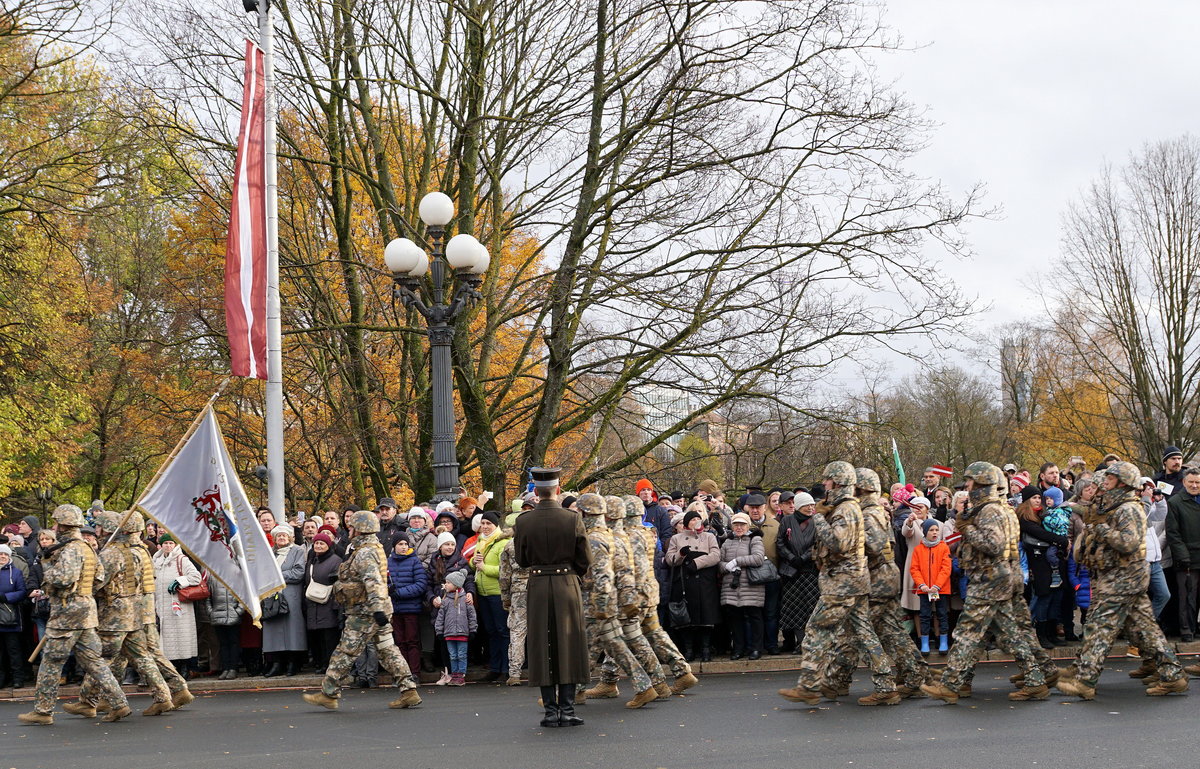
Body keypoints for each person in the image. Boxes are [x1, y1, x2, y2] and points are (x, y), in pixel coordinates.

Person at [921, 463, 1050, 704]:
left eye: (970, 481)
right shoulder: (992, 508)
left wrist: (967, 530)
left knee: (969, 631)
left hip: (990, 578)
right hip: (993, 577)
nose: (967, 486)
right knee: (1002, 633)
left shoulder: (990, 510)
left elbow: (993, 545)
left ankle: (951, 684)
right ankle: (1034, 679)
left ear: (981, 483)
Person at [1058, 461, 1188, 699]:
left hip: (1124, 577)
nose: (1104, 482)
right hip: (1123, 576)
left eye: (1110, 478)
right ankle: (1172, 675)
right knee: (1146, 630)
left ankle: (1085, 681)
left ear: (1122, 482)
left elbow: (1128, 543)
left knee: (1100, 626)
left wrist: (1102, 530)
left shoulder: (1128, 508)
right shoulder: (1115, 507)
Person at [778, 462, 898, 707]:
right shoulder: (847, 507)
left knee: (815, 631)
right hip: (853, 581)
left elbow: (839, 544)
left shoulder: (845, 509)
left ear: (838, 482)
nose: (824, 484)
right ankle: (886, 685)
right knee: (865, 634)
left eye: (827, 480)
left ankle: (809, 686)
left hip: (843, 583)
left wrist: (819, 519)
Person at [19, 505, 131, 725]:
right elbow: (98, 577)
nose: (54, 527)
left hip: (67, 615)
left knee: (51, 661)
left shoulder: (70, 549)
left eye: (56, 523)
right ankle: (119, 703)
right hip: (86, 612)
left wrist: (47, 567)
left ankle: (43, 711)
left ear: (63, 525)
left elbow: (63, 578)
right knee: (95, 662)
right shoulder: (87, 547)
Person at [302, 509, 421, 711]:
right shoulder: (371, 548)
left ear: (359, 530)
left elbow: (373, 581)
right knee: (387, 650)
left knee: (345, 652)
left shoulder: (365, 552)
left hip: (364, 612)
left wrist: (376, 610)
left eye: (352, 527)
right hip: (376, 611)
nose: (349, 530)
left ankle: (328, 693)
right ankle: (409, 691)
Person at [826, 469, 928, 698]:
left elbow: (873, 546)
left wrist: (847, 548)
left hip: (877, 579)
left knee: (853, 632)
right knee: (891, 630)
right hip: (883, 577)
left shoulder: (870, 513)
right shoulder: (873, 511)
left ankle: (837, 680)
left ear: (860, 488)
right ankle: (914, 676)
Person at [512, 467, 591, 728]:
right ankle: (567, 709)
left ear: (535, 491)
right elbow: (585, 559)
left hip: (537, 584)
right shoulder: (572, 518)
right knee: (567, 642)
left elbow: (522, 560)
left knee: (541, 644)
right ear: (558, 490)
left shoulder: (523, 521)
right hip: (566, 583)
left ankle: (550, 711)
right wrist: (572, 572)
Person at [74, 511, 173, 717]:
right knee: (142, 657)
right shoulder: (136, 550)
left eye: (99, 527)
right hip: (134, 613)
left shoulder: (111, 553)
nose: (97, 531)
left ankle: (93, 701)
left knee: (100, 658)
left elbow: (98, 582)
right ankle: (164, 696)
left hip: (114, 615)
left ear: (108, 529)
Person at [577, 494, 657, 709]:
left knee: (600, 646)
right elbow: (624, 569)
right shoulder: (611, 536)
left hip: (597, 603)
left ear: (585, 513)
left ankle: (644, 687)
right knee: (598, 646)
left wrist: (602, 605)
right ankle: (575, 690)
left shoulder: (594, 539)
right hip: (607, 601)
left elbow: (603, 574)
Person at [621, 494, 697, 695]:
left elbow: (632, 569)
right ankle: (679, 672)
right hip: (648, 593)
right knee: (653, 634)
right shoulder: (646, 533)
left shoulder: (630, 535)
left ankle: (652, 682)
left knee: (622, 638)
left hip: (636, 595)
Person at [664, 504, 722, 662]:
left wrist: (697, 563)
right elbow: (670, 560)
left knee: (706, 617)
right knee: (686, 618)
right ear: (686, 523)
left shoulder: (709, 536)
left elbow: (716, 555)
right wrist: (681, 554)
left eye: (698, 518)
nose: (696, 521)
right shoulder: (677, 538)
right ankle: (689, 649)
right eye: (693, 519)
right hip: (684, 583)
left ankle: (706, 649)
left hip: (704, 581)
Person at [152, 533, 201, 677]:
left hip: (179, 605)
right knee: (167, 640)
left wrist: (179, 581)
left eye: (171, 543)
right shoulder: (156, 560)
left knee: (182, 638)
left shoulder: (182, 559)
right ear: (161, 545)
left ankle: (185, 667)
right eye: (166, 543)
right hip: (162, 606)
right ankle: (172, 669)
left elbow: (195, 577)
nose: (168, 546)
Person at [718, 512, 766, 660]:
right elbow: (719, 563)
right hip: (731, 586)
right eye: (736, 524)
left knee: (754, 617)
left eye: (742, 524)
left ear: (748, 525)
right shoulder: (727, 542)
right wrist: (728, 566)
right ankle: (738, 648)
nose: (739, 527)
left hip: (751, 586)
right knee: (735, 619)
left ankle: (756, 648)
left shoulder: (755, 539)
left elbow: (758, 558)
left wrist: (737, 561)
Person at [471, 510, 511, 683]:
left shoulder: (503, 543)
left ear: (496, 525)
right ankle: (495, 668)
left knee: (502, 631)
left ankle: (506, 669)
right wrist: (475, 562)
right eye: (483, 523)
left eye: (489, 524)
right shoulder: (481, 540)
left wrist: (484, 568)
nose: (485, 527)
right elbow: (474, 562)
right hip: (483, 592)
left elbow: (505, 570)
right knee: (491, 632)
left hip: (497, 593)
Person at [263, 525, 308, 676]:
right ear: (274, 539)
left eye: (284, 536)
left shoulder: (297, 551)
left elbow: (298, 572)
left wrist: (277, 575)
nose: (281, 538)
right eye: (279, 536)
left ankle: (293, 663)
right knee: (274, 629)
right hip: (272, 596)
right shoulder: (269, 553)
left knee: (292, 630)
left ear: (290, 537)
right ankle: (277, 663)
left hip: (291, 596)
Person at [743, 493, 782, 654]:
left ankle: (771, 644)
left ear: (765, 508)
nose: (755, 511)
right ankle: (753, 646)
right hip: (750, 577)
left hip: (772, 576)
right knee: (752, 614)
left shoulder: (775, 525)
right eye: (752, 508)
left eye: (758, 507)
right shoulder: (743, 525)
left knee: (771, 613)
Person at [1165, 468, 1200, 641]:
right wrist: (1182, 555)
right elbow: (1173, 533)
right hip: (1186, 558)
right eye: (1191, 482)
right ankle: (1186, 630)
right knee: (1186, 596)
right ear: (1184, 483)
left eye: (1198, 482)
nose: (1194, 485)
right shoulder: (1175, 502)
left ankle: (1195, 627)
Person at [386, 536, 427, 676]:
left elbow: (421, 584)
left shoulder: (414, 561)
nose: (403, 547)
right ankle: (402, 673)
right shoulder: (388, 562)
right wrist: (389, 589)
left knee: (412, 641)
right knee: (399, 642)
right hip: (395, 609)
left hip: (411, 608)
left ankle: (414, 672)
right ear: (394, 546)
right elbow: (382, 581)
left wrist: (400, 593)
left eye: (405, 544)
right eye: (400, 544)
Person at [910, 519, 951, 655]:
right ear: (925, 532)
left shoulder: (943, 547)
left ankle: (944, 641)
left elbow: (946, 568)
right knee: (925, 615)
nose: (934, 533)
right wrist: (922, 585)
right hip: (924, 589)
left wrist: (937, 585)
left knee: (942, 614)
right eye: (931, 530)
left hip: (940, 589)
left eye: (936, 530)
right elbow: (914, 569)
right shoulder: (918, 549)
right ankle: (925, 642)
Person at [498, 511, 530, 686]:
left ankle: (515, 673)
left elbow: (504, 575)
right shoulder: (538, 544)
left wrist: (505, 598)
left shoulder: (510, 546)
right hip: (538, 588)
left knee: (517, 632)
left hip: (518, 591)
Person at [435, 571, 477, 686]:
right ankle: (454, 674)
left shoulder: (465, 599)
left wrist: (473, 629)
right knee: (453, 655)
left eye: (448, 583)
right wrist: (439, 630)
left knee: (461, 654)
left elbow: (472, 616)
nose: (446, 585)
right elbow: (440, 617)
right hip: (449, 633)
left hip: (462, 633)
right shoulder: (446, 600)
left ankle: (461, 675)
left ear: (456, 584)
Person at [0, 544, 27, 689]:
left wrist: (6, 597)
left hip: (11, 618)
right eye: (0, 554)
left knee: (14, 650)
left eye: (5, 554)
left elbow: (22, 591)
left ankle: (18, 678)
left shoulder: (15, 573)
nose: (2, 557)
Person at [637, 479, 674, 549]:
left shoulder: (660, 511)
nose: (646, 492)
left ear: (652, 492)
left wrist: (660, 549)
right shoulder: (634, 510)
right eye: (643, 490)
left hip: (656, 550)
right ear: (638, 493)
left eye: (648, 490)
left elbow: (667, 532)